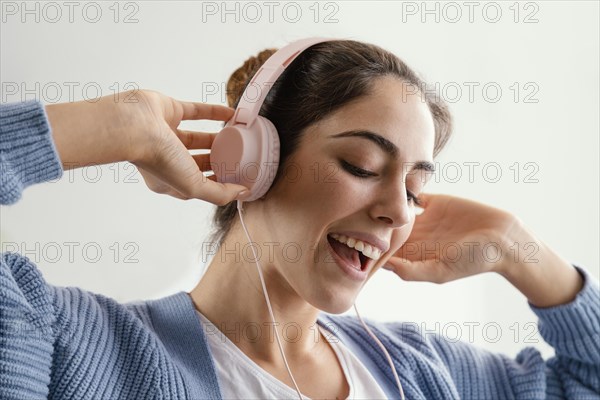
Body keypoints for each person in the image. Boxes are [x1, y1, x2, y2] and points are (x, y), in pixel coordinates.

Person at [0, 39, 598, 400]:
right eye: (361, 164)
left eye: (415, 188)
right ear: (254, 162)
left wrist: (517, 248)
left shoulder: (417, 371)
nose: (397, 210)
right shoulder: (67, 342)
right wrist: (116, 124)